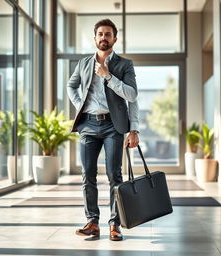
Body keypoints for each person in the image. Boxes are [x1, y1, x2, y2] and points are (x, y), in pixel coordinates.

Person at [67, 19, 139, 241]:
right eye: (100, 34)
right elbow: (72, 86)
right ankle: (92, 222)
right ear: (95, 37)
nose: (104, 37)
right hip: (88, 124)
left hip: (113, 126)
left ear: (114, 39)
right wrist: (80, 105)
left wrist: (108, 75)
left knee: (113, 175)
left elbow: (132, 96)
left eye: (108, 34)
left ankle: (114, 224)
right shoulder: (84, 63)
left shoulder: (125, 65)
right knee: (87, 174)